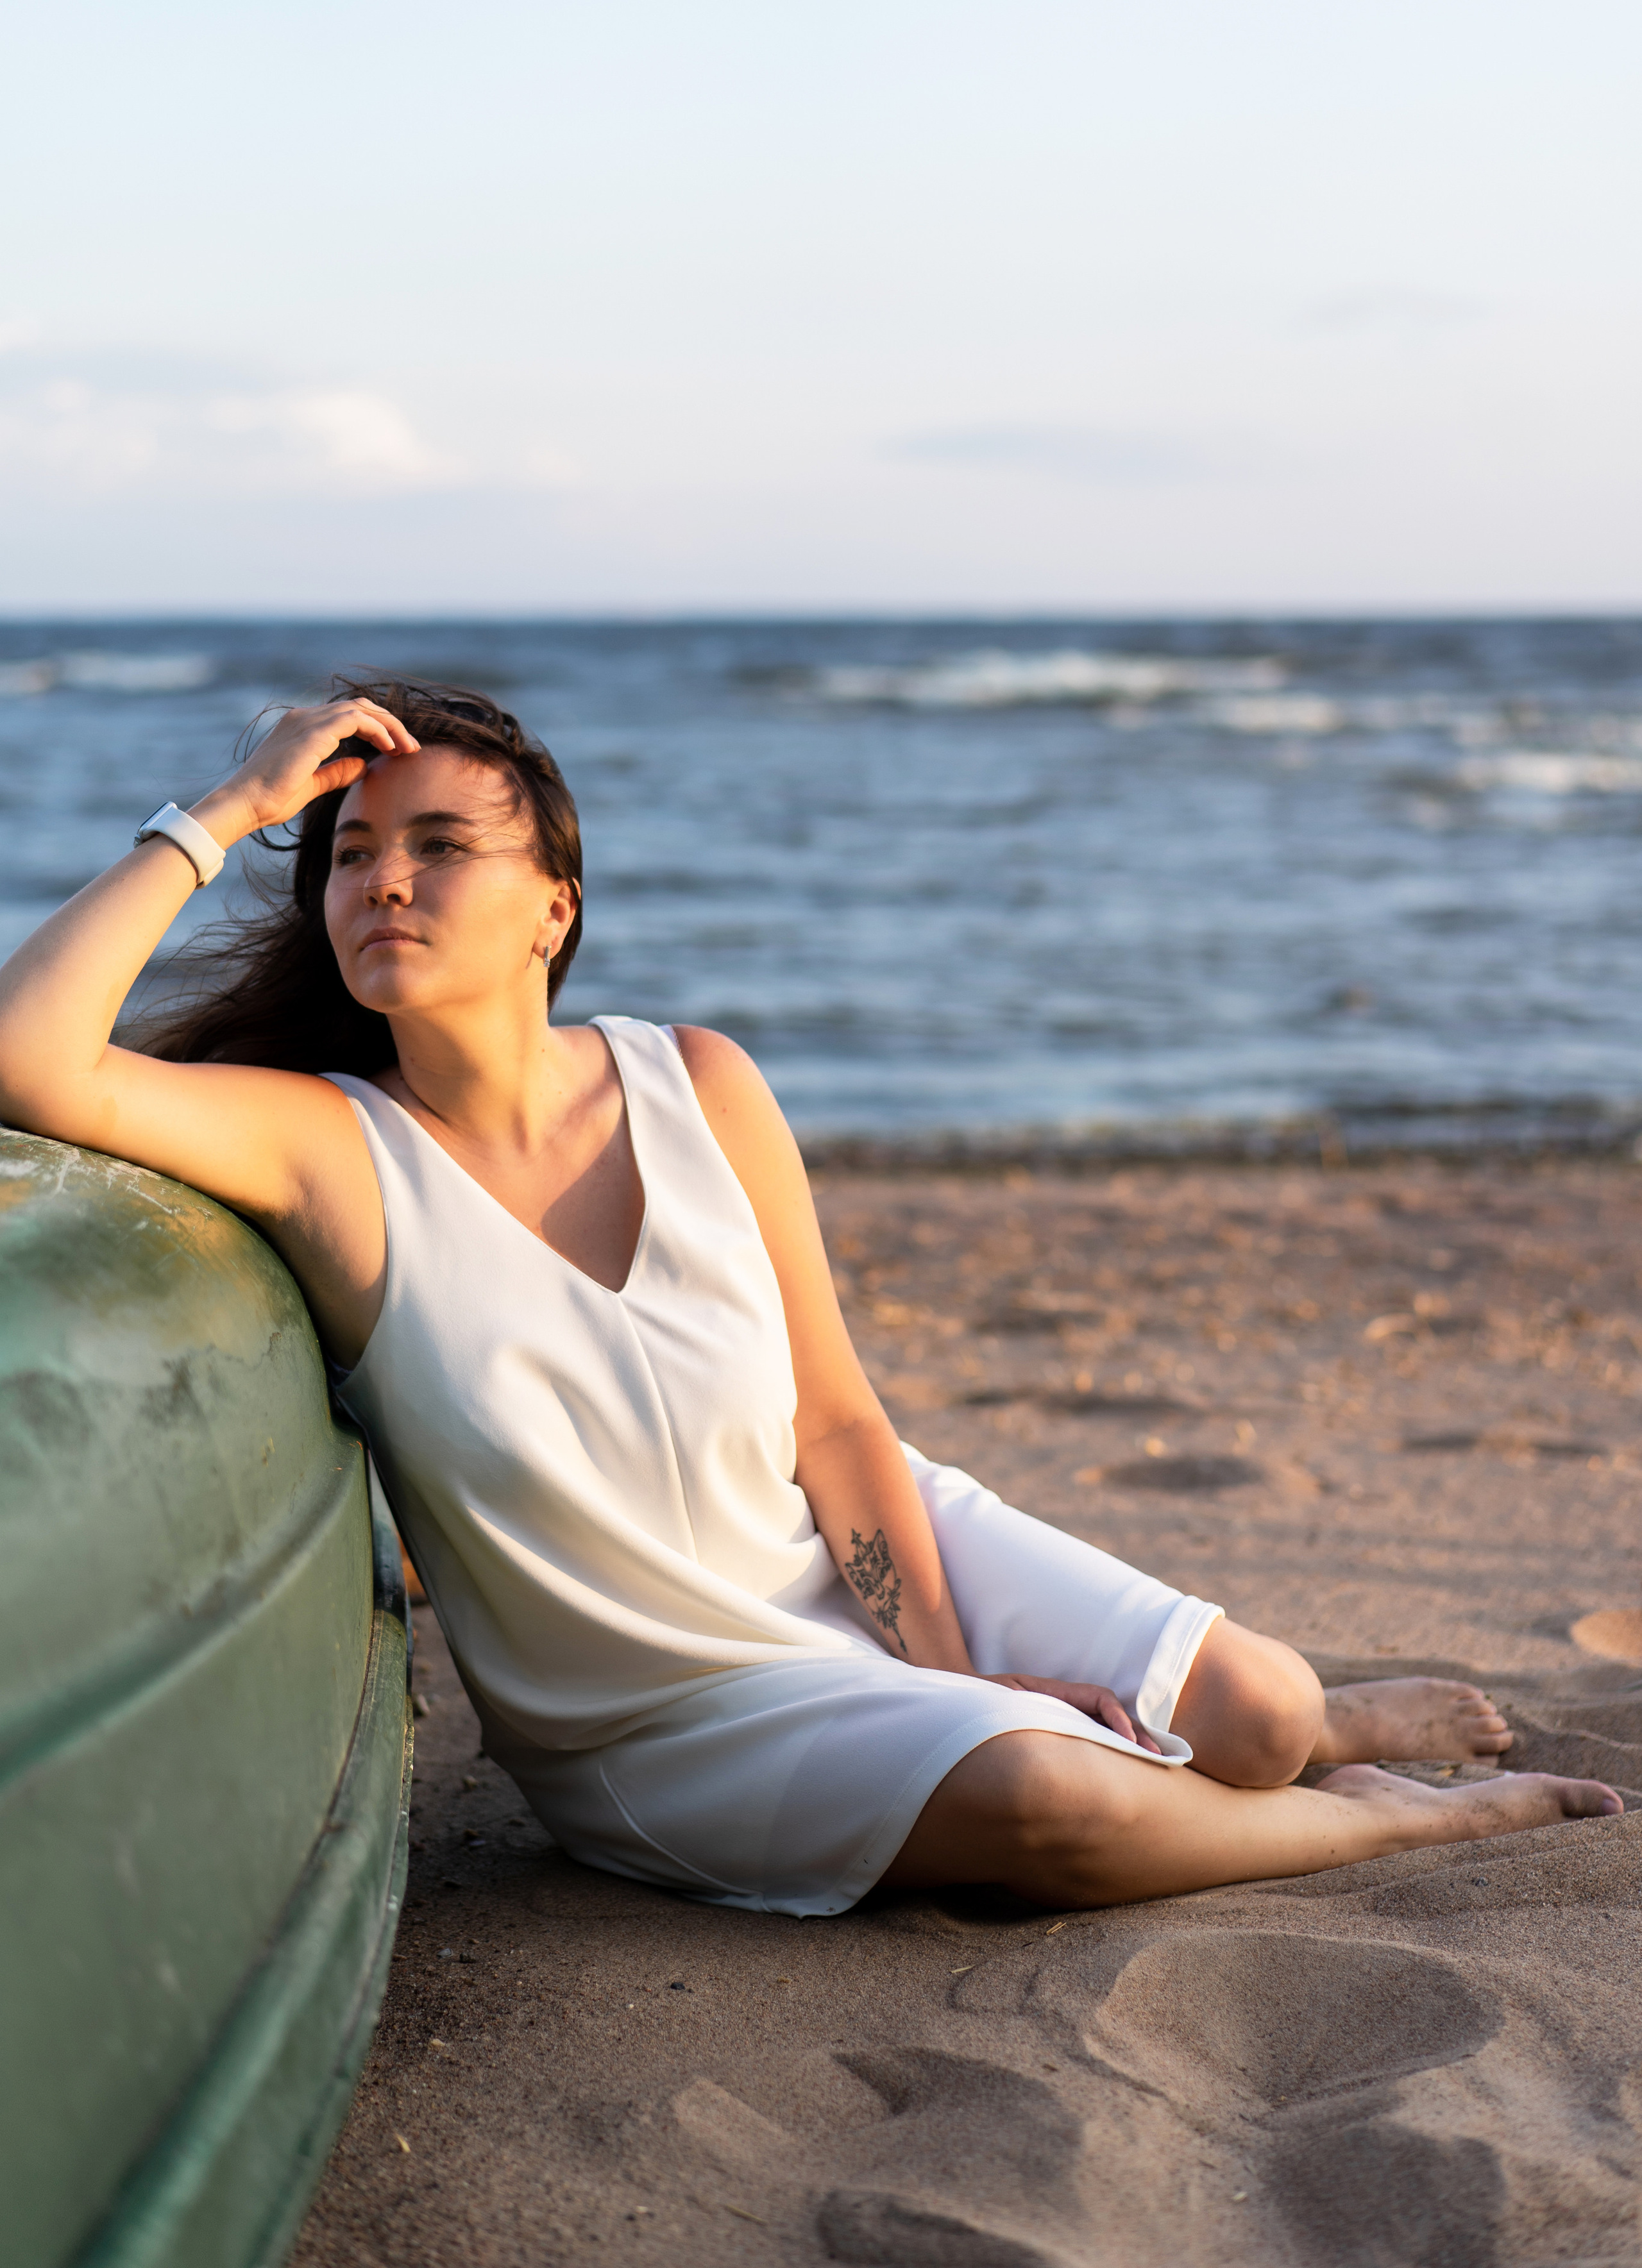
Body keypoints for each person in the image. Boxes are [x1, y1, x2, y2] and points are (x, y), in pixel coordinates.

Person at [0, 676, 1619, 1917]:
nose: (382, 883)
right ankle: (1386, 1815)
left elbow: (838, 1423)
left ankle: (1311, 1741)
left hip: (846, 1544)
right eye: (348, 853)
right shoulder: (327, 1149)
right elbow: (33, 1057)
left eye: (441, 846)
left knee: (1256, 1709)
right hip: (661, 1714)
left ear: (554, 907)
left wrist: (942, 1675)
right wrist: (229, 801)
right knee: (1069, 1809)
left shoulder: (696, 1080)